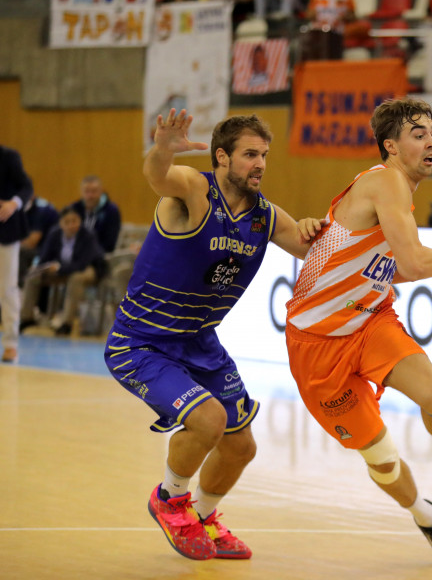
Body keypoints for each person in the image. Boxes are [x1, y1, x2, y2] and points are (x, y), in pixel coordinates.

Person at [283, 97, 432, 565]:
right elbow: (413, 262)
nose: (431, 140)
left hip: (369, 320)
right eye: (419, 134)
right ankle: (429, 518)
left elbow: (384, 268)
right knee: (383, 458)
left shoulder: (395, 190)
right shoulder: (385, 180)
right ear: (391, 147)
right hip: (315, 345)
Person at [104, 109, 320, 561]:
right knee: (207, 420)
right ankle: (170, 499)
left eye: (263, 155)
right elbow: (159, 176)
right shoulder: (194, 193)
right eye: (248, 155)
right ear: (221, 157)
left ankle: (202, 515)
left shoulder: (265, 216)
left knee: (241, 447)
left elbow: (321, 254)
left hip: (200, 342)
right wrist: (162, 149)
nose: (259, 163)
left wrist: (315, 231)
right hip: (142, 342)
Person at [19, 206, 106, 336]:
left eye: (74, 221)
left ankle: (67, 323)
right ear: (61, 223)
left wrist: (59, 268)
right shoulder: (54, 234)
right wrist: (44, 268)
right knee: (33, 276)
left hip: (88, 269)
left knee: (76, 278)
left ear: (80, 221)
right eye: (67, 222)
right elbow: (44, 258)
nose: (71, 225)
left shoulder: (88, 236)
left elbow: (82, 264)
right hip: (62, 270)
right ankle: (26, 318)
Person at [0, 145, 34, 363]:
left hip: (6, 229)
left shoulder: (9, 157)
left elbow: (26, 186)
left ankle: (11, 343)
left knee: (7, 286)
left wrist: (13, 204)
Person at [70, 174, 121, 254]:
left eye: (94, 191)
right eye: (86, 191)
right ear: (81, 192)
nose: (90, 195)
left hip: (99, 256)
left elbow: (109, 244)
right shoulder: (74, 208)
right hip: (74, 254)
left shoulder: (111, 211)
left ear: (101, 191)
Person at [19, 195, 59, 287]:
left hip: (49, 252)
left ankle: (20, 287)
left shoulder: (42, 209)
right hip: (38, 249)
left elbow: (31, 243)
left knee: (20, 251)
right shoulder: (22, 210)